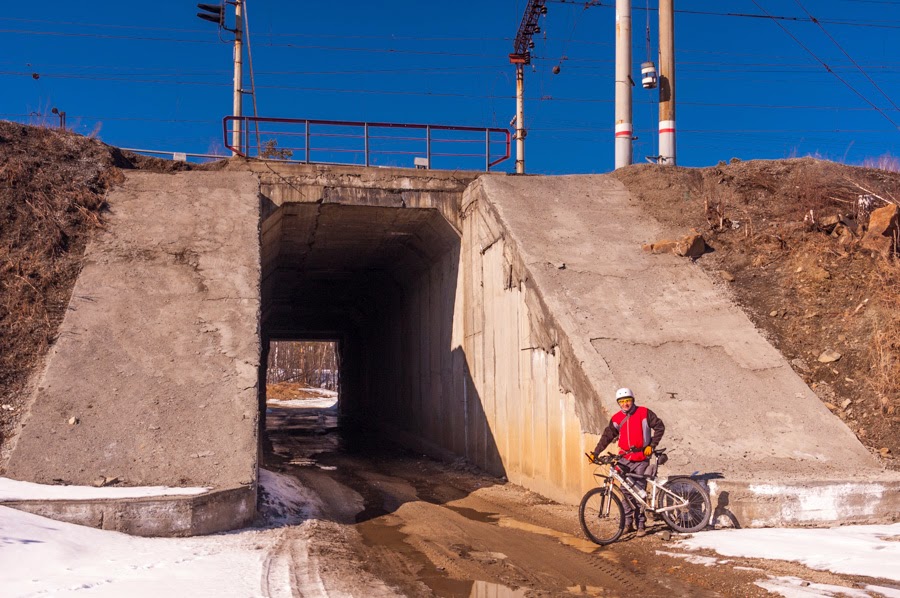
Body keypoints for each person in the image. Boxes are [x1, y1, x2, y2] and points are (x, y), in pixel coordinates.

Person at [590, 387, 665, 535]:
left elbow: (659, 427)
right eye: (622, 401)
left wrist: (651, 445)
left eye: (628, 400)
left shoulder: (644, 413)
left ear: (633, 400)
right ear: (618, 403)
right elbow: (607, 436)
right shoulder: (617, 418)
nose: (625, 404)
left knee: (639, 492)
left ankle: (641, 525)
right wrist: (596, 452)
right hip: (624, 459)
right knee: (625, 492)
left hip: (641, 459)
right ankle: (628, 523)